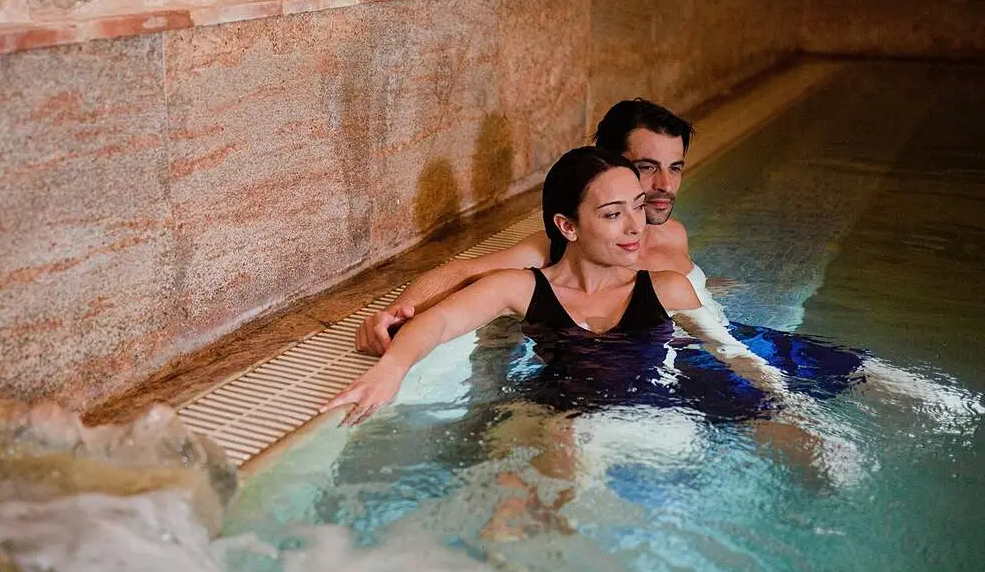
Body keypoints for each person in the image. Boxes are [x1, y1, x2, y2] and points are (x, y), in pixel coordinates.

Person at [322, 147, 794, 426]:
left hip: (655, 416)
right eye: (612, 215)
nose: (636, 227)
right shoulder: (522, 288)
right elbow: (442, 318)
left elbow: (730, 354)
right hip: (558, 417)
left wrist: (788, 408)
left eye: (636, 206)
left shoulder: (668, 289)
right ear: (567, 227)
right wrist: (394, 366)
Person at [356, 98, 720, 356]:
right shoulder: (556, 251)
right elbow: (465, 272)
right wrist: (393, 314)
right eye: (647, 167)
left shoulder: (675, 233)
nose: (666, 185)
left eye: (675, 167)